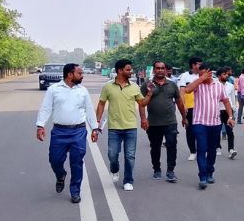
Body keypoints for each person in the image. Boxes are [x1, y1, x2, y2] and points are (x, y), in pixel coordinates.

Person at [36, 63, 100, 203]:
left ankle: (75, 191)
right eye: (79, 73)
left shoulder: (83, 91)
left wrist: (95, 129)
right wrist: (40, 126)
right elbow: (46, 108)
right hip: (59, 131)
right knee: (55, 160)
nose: (82, 76)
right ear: (70, 74)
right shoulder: (54, 90)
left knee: (76, 162)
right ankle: (60, 175)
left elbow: (89, 110)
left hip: (78, 131)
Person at [96, 59, 150, 191]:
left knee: (130, 156)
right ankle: (114, 169)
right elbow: (101, 103)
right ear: (120, 71)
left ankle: (128, 180)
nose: (131, 72)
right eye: (128, 69)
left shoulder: (134, 87)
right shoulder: (108, 86)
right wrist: (97, 122)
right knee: (112, 154)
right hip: (114, 128)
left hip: (130, 127)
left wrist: (149, 95)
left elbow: (142, 103)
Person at [184, 63, 235, 189]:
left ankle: (209, 171)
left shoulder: (218, 85)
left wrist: (230, 117)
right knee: (202, 149)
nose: (202, 76)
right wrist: (200, 79)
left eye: (205, 74)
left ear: (210, 73)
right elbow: (187, 90)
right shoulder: (197, 84)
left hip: (215, 123)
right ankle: (202, 176)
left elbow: (226, 101)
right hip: (199, 122)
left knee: (212, 150)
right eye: (200, 74)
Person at [139, 61, 187, 183]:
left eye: (162, 68)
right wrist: (143, 119)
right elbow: (141, 103)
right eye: (157, 68)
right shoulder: (147, 85)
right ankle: (157, 169)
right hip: (153, 123)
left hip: (170, 122)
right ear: (154, 70)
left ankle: (170, 171)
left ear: (165, 70)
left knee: (172, 146)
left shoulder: (172, 85)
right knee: (155, 147)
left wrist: (184, 117)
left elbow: (179, 102)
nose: (160, 70)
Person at [178, 57, 202, 161]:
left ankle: (202, 150)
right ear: (193, 65)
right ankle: (193, 151)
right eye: (199, 64)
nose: (200, 66)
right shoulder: (185, 76)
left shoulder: (203, 75)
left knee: (201, 129)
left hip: (202, 107)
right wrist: (183, 106)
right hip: (190, 107)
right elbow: (182, 92)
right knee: (190, 130)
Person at [215, 67, 238, 159]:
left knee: (229, 131)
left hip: (228, 110)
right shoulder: (214, 85)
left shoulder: (230, 85)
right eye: (224, 74)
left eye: (227, 74)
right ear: (219, 76)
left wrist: (233, 109)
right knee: (217, 130)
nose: (226, 76)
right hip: (217, 110)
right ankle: (217, 147)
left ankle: (231, 149)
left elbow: (232, 98)